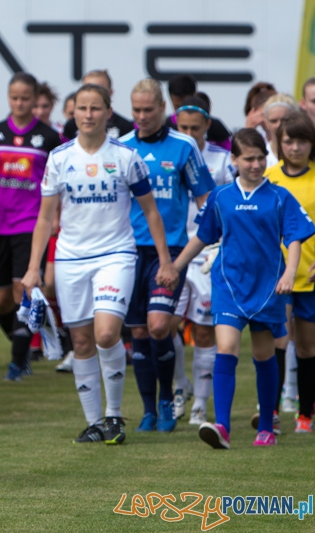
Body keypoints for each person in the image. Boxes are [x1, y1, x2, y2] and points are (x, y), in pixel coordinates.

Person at [23, 83, 176, 444]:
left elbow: (151, 212)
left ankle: (114, 417)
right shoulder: (59, 158)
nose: (88, 115)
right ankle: (93, 422)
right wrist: (33, 268)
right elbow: (45, 219)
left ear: (109, 112)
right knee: (80, 342)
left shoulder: (126, 157)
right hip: (71, 259)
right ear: (72, 113)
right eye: (82, 108)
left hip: (116, 255)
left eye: (96, 108)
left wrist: (166, 260)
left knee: (106, 333)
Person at [170, 128, 315, 449]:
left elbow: (293, 236)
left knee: (264, 356)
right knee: (227, 349)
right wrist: (175, 267)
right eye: (248, 158)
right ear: (233, 159)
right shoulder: (221, 197)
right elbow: (202, 237)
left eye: (261, 157)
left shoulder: (279, 196)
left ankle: (266, 426)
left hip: (268, 288)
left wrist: (290, 273)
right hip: (229, 286)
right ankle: (222, 426)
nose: (256, 164)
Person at [120, 78, 215, 433]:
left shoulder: (184, 146)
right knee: (140, 332)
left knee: (160, 326)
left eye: (149, 109)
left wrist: (195, 245)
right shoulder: (122, 147)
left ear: (163, 109)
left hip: (171, 251)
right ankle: (149, 409)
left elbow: (207, 201)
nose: (142, 116)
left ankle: (166, 396)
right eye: (137, 110)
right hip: (126, 250)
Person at [0, 72, 62, 381]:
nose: (20, 103)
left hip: (30, 225)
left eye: (26, 98)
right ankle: (23, 343)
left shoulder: (49, 138)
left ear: (35, 99)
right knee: (1, 301)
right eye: (15, 97)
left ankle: (17, 364)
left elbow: (56, 184)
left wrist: (54, 217)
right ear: (8, 97)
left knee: (22, 290)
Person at [172, 97, 235, 424]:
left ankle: (200, 405)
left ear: (207, 126)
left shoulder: (223, 160)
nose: (188, 133)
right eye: (182, 127)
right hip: (172, 252)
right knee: (165, 325)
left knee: (204, 332)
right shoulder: (169, 153)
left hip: (208, 256)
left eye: (195, 128)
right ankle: (180, 385)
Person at [265, 111, 315, 434]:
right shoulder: (268, 177)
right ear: (279, 144)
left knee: (308, 347)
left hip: (309, 277)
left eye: (302, 141)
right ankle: (271, 412)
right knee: (277, 344)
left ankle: (305, 414)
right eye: (288, 141)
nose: (295, 147)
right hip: (275, 277)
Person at [165, 74, 231, 150]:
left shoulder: (215, 126)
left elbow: (233, 153)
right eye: (184, 127)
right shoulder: (166, 126)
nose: (189, 134)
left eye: (195, 128)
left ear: (207, 124)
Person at [63, 70, 134, 140]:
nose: (88, 116)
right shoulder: (71, 126)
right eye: (87, 89)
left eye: (100, 90)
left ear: (111, 92)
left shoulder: (125, 126)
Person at [262, 94, 298, 168]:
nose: (279, 125)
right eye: (273, 121)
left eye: (284, 120)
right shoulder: (261, 157)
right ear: (266, 123)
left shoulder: (307, 154)